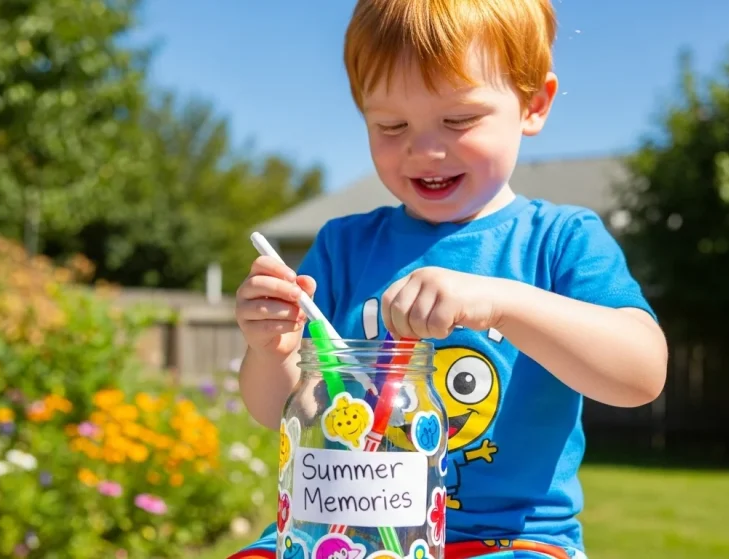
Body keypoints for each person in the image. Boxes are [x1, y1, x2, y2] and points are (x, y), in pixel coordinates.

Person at [229, 0, 669, 557]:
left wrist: (502, 302)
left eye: (459, 120)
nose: (425, 149)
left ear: (533, 105)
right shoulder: (342, 247)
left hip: (505, 541)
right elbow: (276, 410)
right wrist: (271, 349)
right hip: (341, 533)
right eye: (391, 125)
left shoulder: (561, 241)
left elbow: (641, 375)